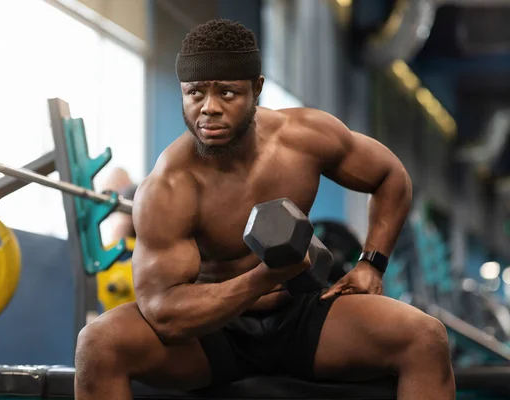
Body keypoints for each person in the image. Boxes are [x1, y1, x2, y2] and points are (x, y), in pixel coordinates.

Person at [75, 19, 455, 400]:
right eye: (195, 93)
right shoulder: (170, 185)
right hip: (210, 332)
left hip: (303, 314)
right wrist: (263, 277)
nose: (209, 109)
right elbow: (164, 313)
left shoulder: (305, 138)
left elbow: (390, 176)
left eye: (227, 93)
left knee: (425, 337)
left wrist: (371, 263)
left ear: (256, 89)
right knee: (99, 343)